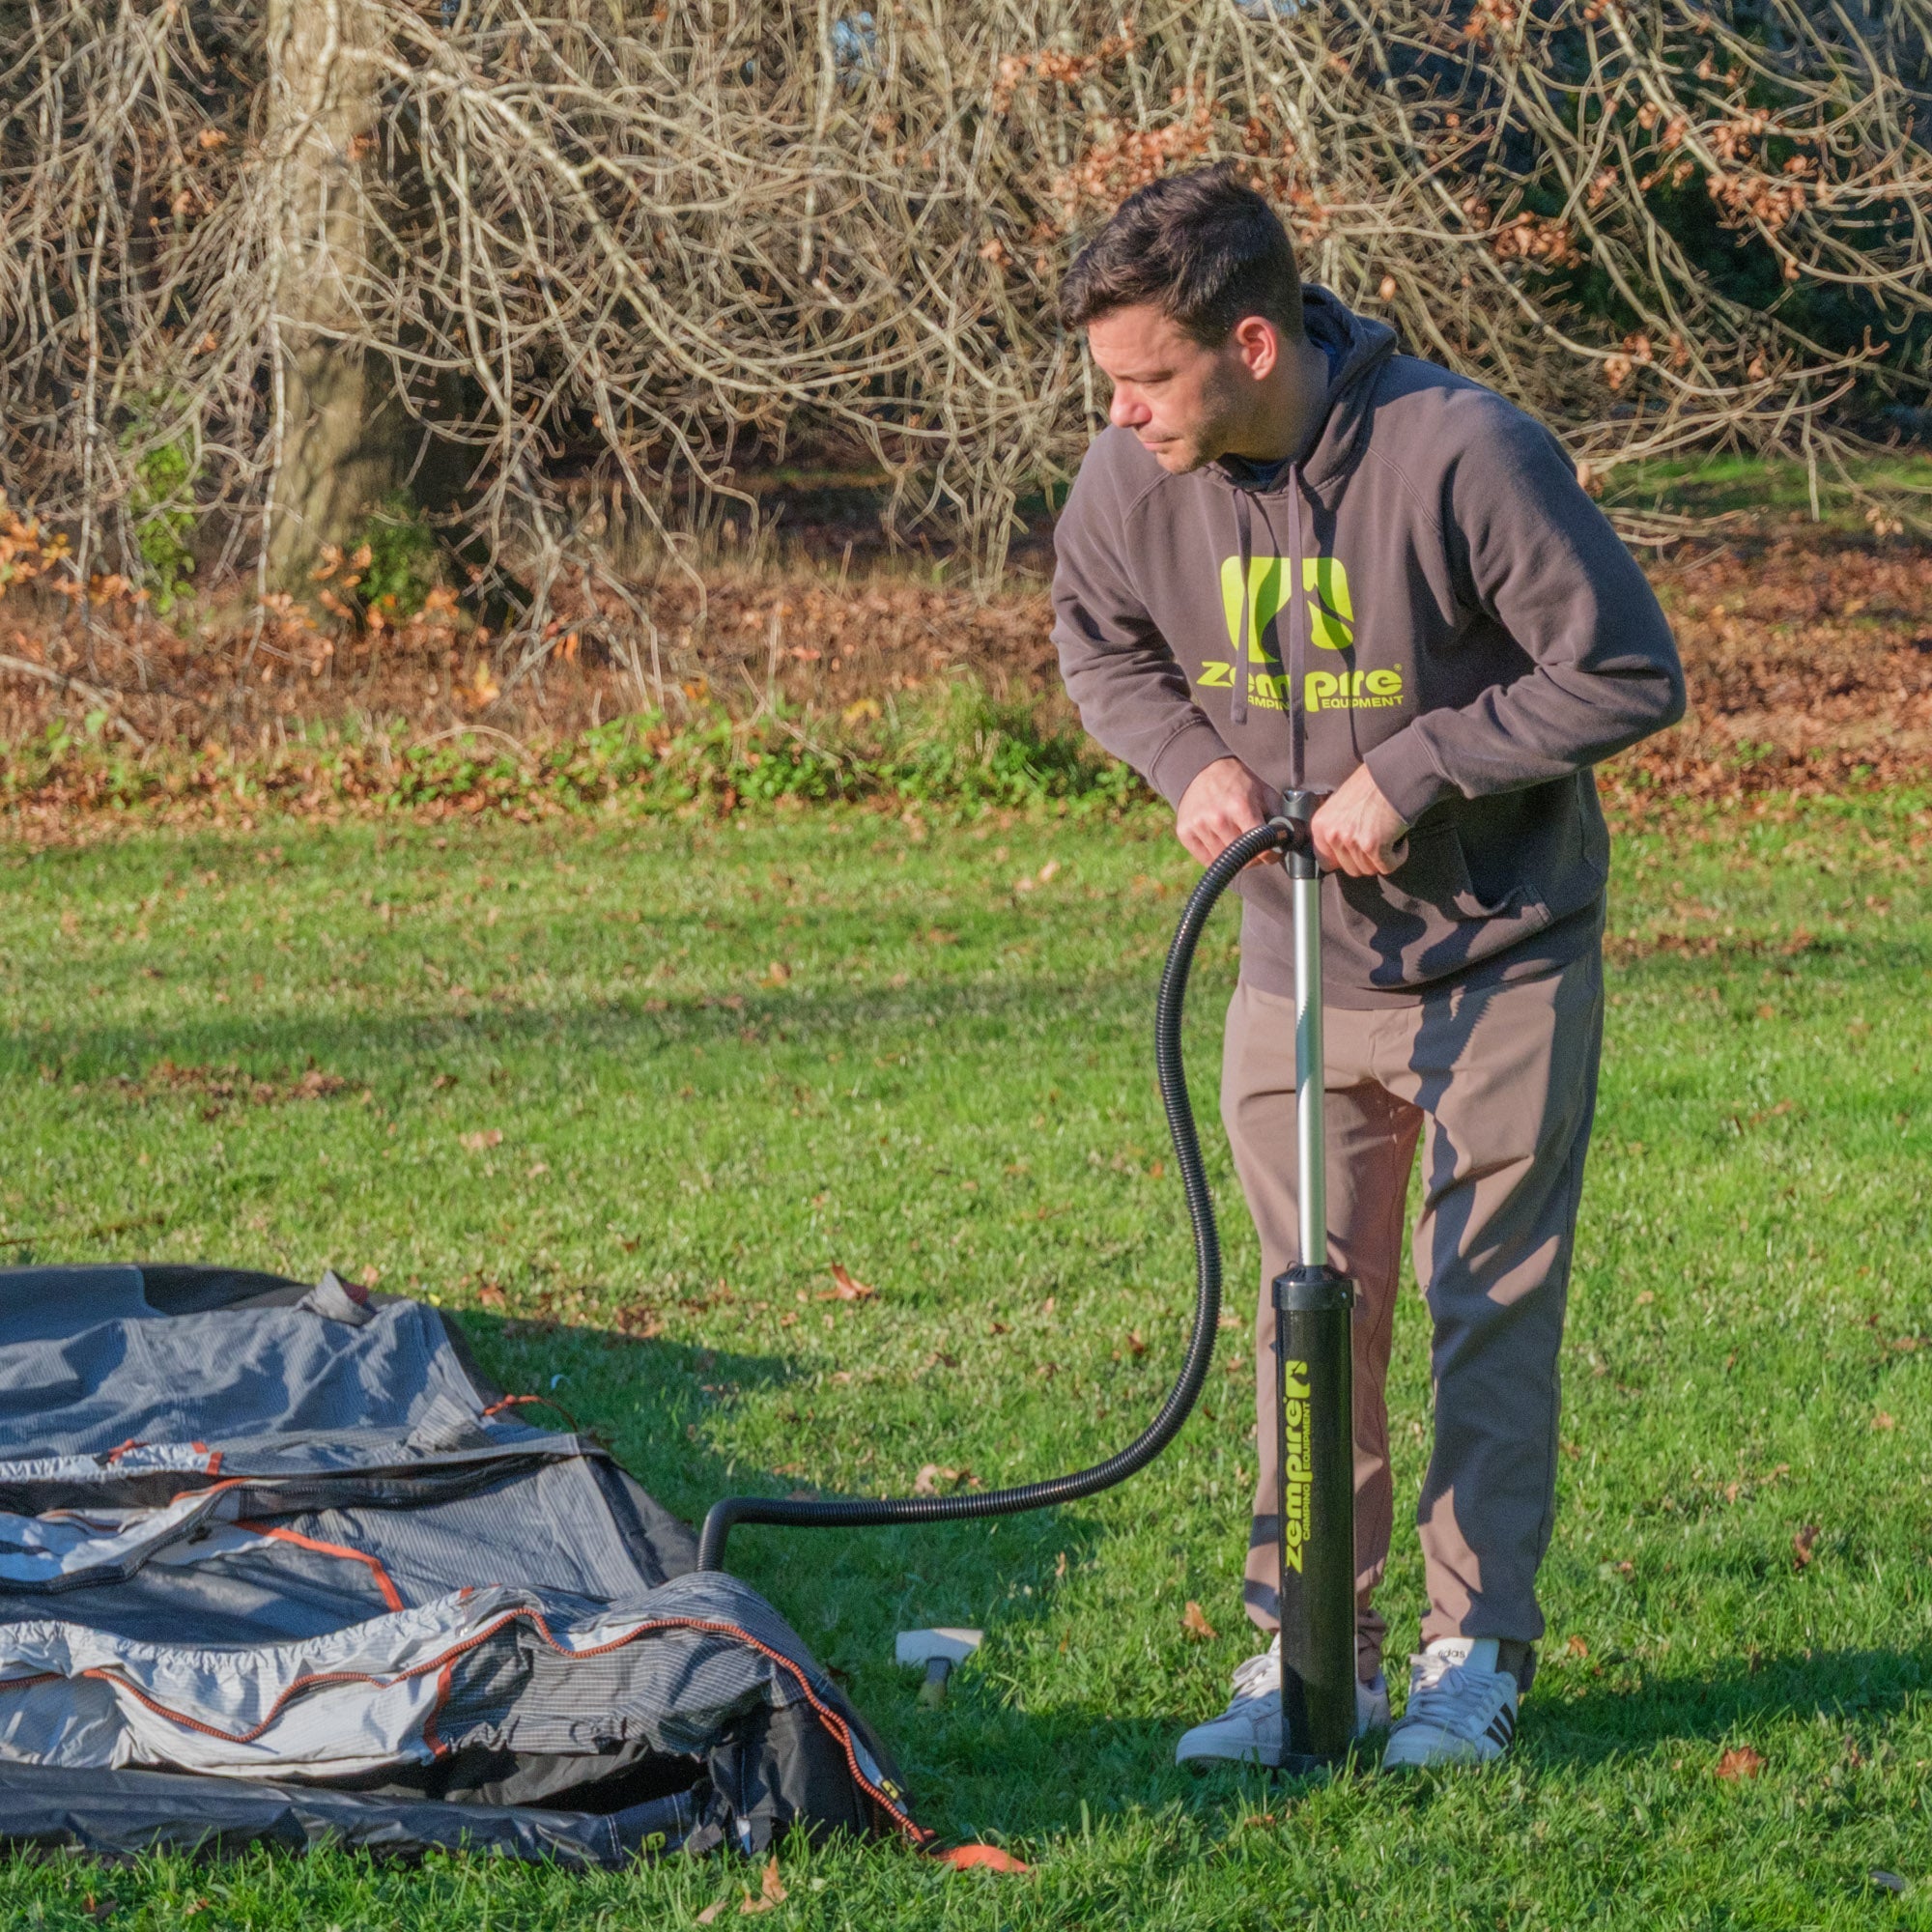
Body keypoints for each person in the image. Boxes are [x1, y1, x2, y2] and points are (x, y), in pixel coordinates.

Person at [1049, 165, 1685, 1770]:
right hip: (1292, 964)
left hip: (1499, 955)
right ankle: (1303, 1652)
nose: (1122, 414)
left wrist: (1422, 768)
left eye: (1146, 379)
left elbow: (1622, 668)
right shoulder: (1133, 481)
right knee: (1309, 1314)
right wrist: (1184, 758)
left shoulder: (1461, 451)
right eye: (1108, 383)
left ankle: (1475, 1656)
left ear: (1251, 342)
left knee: (1486, 1309)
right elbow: (1096, 639)